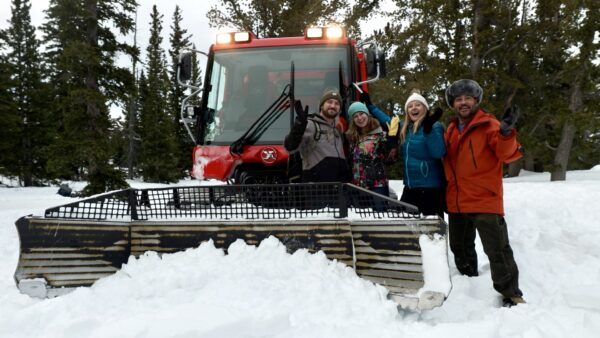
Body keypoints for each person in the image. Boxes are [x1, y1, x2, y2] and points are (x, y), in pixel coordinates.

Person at [443, 79, 525, 307]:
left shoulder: (490, 125)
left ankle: (511, 294)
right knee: (459, 246)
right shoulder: (450, 129)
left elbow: (507, 154)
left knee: (497, 250)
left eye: (468, 98)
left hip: (484, 199)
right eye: (458, 99)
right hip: (458, 201)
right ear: (453, 103)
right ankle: (468, 283)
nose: (463, 102)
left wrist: (507, 133)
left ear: (476, 100)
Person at [361, 91, 446, 217]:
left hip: (430, 189)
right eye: (410, 106)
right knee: (406, 227)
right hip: (410, 187)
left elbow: (438, 152)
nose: (414, 108)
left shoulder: (435, 126)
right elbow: (388, 121)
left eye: (418, 105)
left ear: (425, 108)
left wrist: (429, 131)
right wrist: (370, 106)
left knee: (433, 231)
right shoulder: (405, 127)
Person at [284, 89, 350, 183]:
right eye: (329, 102)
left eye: (337, 103)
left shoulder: (337, 130)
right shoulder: (311, 125)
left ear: (339, 109)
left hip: (338, 191)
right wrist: (299, 125)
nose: (333, 106)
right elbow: (290, 147)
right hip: (317, 191)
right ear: (322, 105)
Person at [345, 101, 389, 197]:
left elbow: (390, 158)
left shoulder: (380, 133)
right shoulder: (351, 137)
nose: (359, 118)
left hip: (377, 186)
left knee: (379, 212)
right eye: (355, 116)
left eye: (361, 114)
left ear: (367, 114)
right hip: (357, 186)